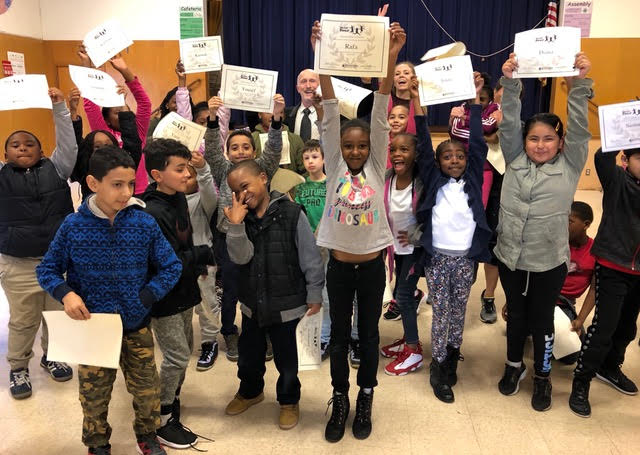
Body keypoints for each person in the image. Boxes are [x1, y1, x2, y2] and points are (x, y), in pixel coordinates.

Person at [36, 147, 182, 455]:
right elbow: (47, 269)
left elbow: (172, 266)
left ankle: (147, 434)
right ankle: (97, 443)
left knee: (146, 391)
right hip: (93, 326)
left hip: (136, 324)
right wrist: (67, 294)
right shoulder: (73, 226)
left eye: (130, 184)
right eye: (117, 184)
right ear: (93, 183)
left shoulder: (143, 223)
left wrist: (147, 295)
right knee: (94, 395)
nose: (126, 192)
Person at [312, 20, 405, 443]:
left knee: (368, 337)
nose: (353, 151)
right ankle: (340, 398)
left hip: (370, 269)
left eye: (361, 146)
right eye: (348, 146)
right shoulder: (333, 164)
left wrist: (391, 56)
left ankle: (366, 396)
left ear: (372, 149)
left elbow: (383, 104)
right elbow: (330, 111)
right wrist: (322, 54)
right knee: (337, 342)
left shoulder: (377, 163)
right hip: (338, 267)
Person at [496, 52, 592, 412]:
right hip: (510, 258)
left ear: (560, 142)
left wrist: (579, 84)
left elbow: (581, 128)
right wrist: (510, 82)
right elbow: (508, 124)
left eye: (548, 138)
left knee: (542, 321)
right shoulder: (515, 158)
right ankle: (513, 367)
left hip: (548, 262)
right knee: (516, 317)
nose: (539, 144)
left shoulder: (569, 165)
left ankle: (542, 377)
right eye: (533, 138)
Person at [222, 159, 324, 430]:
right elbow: (241, 257)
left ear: (264, 178)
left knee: (287, 360)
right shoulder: (238, 219)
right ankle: (251, 391)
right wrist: (235, 226)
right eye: (236, 191)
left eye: (245, 186)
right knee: (249, 357)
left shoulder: (292, 214)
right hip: (252, 304)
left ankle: (289, 400)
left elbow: (311, 258)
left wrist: (315, 294)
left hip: (288, 304)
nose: (242, 195)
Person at [416, 73, 491, 403]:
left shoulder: (472, 178)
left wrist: (475, 105)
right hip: (437, 259)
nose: (456, 161)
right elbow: (421, 141)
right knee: (442, 311)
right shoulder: (434, 181)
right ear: (438, 162)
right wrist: (418, 105)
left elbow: (477, 144)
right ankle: (439, 363)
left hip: (465, 259)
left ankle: (452, 353)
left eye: (459, 157)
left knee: (459, 309)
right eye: (448, 157)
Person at [1, 88, 76, 399]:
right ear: (4, 154)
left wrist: (59, 106)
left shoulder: (57, 168)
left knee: (57, 315)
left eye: (29, 144)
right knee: (23, 320)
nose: (22, 148)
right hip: (17, 263)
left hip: (56, 262)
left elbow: (69, 143)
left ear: (42, 150)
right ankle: (18, 367)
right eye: (15, 145)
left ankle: (52, 355)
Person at [142, 139, 216, 449]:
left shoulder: (178, 199)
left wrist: (196, 259)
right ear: (158, 175)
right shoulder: (152, 210)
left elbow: (183, 248)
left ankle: (172, 401)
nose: (188, 174)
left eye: (188, 167)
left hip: (185, 290)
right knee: (176, 356)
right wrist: (206, 254)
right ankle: (161, 418)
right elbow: (167, 259)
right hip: (166, 297)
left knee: (184, 350)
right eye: (180, 169)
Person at [203, 94, 284, 362]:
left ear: (254, 151)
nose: (240, 151)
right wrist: (213, 119)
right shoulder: (222, 170)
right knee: (231, 290)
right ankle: (229, 331)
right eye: (234, 147)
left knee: (263, 287)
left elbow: (274, 149)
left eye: (245, 147)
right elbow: (212, 149)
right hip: (228, 239)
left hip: (259, 237)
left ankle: (266, 333)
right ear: (228, 153)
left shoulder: (263, 170)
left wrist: (276, 118)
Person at [569, 147, 640, 418]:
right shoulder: (617, 181)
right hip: (613, 265)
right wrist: (626, 125)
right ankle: (582, 381)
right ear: (625, 160)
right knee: (604, 328)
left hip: (638, 272)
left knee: (626, 328)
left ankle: (610, 367)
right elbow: (601, 157)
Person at [379, 77, 425, 377]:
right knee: (399, 293)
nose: (398, 154)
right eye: (394, 149)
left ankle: (414, 350)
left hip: (416, 250)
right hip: (396, 249)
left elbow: (429, 217)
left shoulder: (423, 181)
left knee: (404, 296)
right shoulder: (387, 178)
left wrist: (417, 100)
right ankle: (408, 340)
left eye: (404, 150)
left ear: (416, 154)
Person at [449, 83, 502, 324]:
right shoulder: (459, 110)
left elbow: (489, 129)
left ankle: (488, 296)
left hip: (492, 174)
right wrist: (483, 130)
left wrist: (473, 126)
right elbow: (457, 133)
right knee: (460, 223)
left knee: (486, 232)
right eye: (473, 98)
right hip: (462, 172)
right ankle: (456, 284)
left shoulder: (499, 110)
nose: (476, 102)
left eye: (482, 98)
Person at [77, 46, 152, 195]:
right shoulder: (104, 134)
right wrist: (87, 66)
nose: (124, 114)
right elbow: (90, 106)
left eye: (125, 109)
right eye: (118, 112)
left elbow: (145, 104)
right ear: (107, 120)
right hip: (110, 192)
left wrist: (125, 70)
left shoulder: (138, 130)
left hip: (138, 191)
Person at [70, 89, 142, 201]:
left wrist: (122, 104)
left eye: (108, 145)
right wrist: (73, 111)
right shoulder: (85, 169)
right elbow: (73, 144)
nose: (104, 150)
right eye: (97, 147)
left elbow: (132, 140)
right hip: (93, 217)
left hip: (123, 215)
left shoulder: (125, 165)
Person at [184, 151, 220, 371]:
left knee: (206, 303)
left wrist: (203, 168)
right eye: (181, 174)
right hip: (177, 261)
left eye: (190, 176)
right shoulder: (168, 200)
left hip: (202, 261)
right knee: (181, 306)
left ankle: (209, 342)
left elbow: (207, 187)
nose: (185, 179)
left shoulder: (203, 200)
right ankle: (183, 341)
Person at [253, 111, 306, 175]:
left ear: (283, 116)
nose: (273, 115)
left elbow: (305, 169)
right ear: (260, 114)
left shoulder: (295, 139)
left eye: (278, 112)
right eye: (268, 112)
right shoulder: (252, 138)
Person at [284, 69, 321, 142]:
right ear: (298, 88)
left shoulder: (328, 115)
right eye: (303, 81)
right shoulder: (286, 114)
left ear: (319, 86)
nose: (308, 86)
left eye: (312, 81)